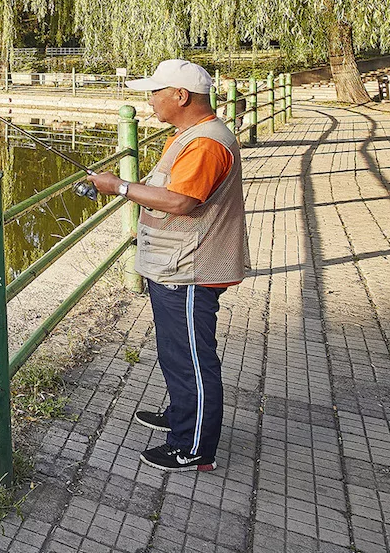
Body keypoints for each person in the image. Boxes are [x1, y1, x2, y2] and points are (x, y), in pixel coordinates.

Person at [88, 58, 250, 472]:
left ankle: (194, 446)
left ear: (180, 95)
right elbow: (171, 190)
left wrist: (120, 186)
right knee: (175, 354)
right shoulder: (188, 135)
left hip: (190, 270)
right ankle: (182, 418)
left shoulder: (206, 143)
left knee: (192, 358)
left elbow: (181, 202)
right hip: (173, 266)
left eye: (156, 92)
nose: (150, 100)